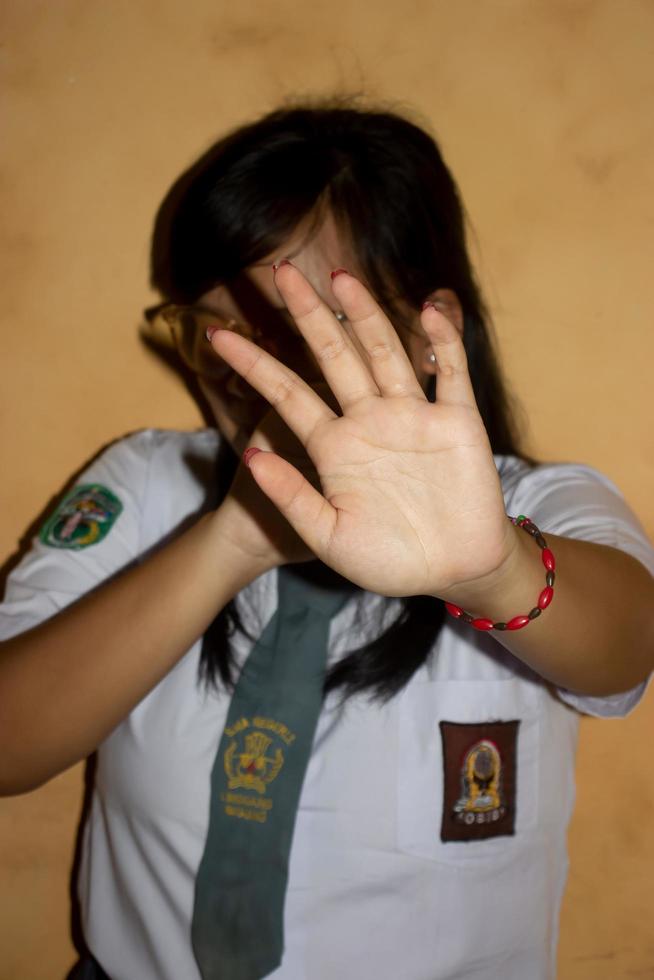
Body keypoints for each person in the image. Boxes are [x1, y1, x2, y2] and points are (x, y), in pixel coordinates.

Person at [1, 100, 653, 980]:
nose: (247, 372)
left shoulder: (535, 502)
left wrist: (490, 565)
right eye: (215, 334)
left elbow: (627, 646)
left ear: (431, 331)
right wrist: (237, 538)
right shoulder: (149, 483)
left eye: (303, 323)